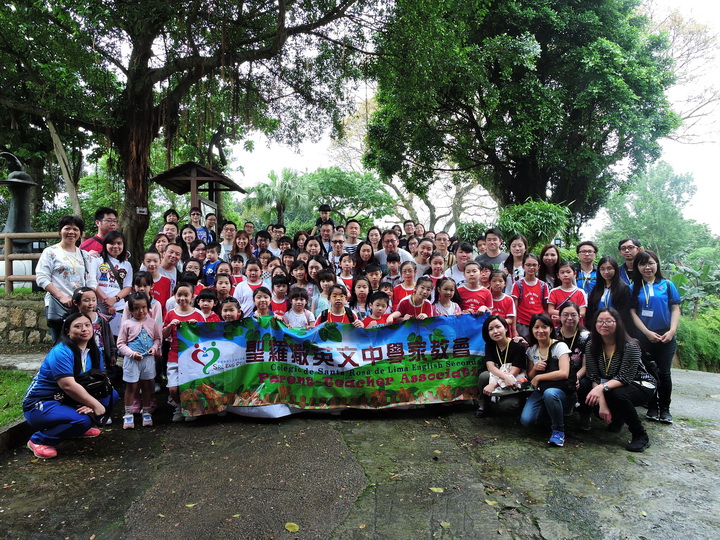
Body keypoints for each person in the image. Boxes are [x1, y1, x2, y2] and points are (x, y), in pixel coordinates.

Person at [23, 313, 114, 459]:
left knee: (111, 396)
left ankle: (77, 429)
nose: (84, 329)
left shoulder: (94, 350)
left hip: (67, 399)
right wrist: (95, 405)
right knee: (82, 420)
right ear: (67, 331)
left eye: (87, 325)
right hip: (41, 403)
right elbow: (68, 385)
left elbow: (99, 380)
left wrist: (92, 404)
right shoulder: (61, 352)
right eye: (78, 326)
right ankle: (39, 440)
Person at [585, 308, 655, 452]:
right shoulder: (591, 345)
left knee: (617, 394)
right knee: (590, 391)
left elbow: (625, 377)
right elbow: (593, 375)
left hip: (640, 383)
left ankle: (640, 435)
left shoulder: (630, 345)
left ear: (617, 323)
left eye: (609, 321)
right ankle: (619, 417)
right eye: (600, 321)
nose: (604, 324)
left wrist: (600, 389)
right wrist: (602, 403)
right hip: (611, 385)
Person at [630, 250, 681, 424]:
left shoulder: (667, 285)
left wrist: (672, 331)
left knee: (664, 373)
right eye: (643, 264)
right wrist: (646, 332)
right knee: (648, 373)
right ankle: (652, 407)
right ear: (637, 267)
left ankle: (665, 409)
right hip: (644, 336)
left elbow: (675, 308)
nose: (647, 267)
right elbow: (632, 313)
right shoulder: (634, 288)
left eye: (651, 263)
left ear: (657, 264)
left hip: (666, 334)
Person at [36, 216, 97, 343]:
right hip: (59, 304)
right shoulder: (50, 252)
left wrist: (88, 299)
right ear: (60, 231)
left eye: (75, 229)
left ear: (80, 233)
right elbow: (42, 277)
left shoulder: (85, 255)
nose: (71, 232)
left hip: (81, 306)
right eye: (67, 228)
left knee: (82, 342)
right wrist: (61, 296)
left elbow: (91, 280)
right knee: (61, 342)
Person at [520, 313, 572, 447]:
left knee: (550, 394)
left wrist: (540, 376)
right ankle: (551, 415)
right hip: (540, 390)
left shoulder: (560, 346)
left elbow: (564, 373)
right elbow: (531, 377)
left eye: (544, 327)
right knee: (527, 421)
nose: (540, 331)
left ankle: (558, 431)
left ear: (551, 329)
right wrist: (535, 368)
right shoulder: (532, 350)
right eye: (536, 327)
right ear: (532, 329)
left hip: (560, 390)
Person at [117, 292, 162, 429]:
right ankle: (128, 413)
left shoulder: (152, 323)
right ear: (131, 310)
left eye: (143, 307)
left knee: (147, 385)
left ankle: (146, 411)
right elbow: (120, 343)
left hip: (148, 360)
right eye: (136, 308)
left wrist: (154, 348)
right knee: (131, 386)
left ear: (148, 308)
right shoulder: (127, 324)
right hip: (132, 361)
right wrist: (131, 354)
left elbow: (157, 339)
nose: (140, 311)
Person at [163, 282, 205, 422]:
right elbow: (164, 335)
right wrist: (170, 325)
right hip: (174, 355)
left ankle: (191, 408)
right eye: (179, 295)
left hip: (193, 357)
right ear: (174, 296)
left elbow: (206, 336)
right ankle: (179, 406)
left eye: (186, 295)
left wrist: (196, 327)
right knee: (173, 388)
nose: (182, 298)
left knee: (191, 385)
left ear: (192, 296)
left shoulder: (198, 314)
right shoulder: (170, 313)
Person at [477, 315, 528, 417]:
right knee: (484, 376)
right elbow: (490, 367)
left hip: (513, 381)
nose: (495, 331)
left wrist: (494, 384)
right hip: (501, 378)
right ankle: (484, 405)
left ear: (506, 328)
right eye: (491, 329)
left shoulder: (518, 346)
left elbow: (514, 372)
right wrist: (503, 377)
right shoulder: (490, 345)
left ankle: (519, 403)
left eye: (498, 327)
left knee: (506, 406)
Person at [553, 302, 592, 430]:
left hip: (579, 372)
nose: (569, 318)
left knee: (584, 384)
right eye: (565, 315)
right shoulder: (554, 333)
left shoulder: (586, 336)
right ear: (559, 316)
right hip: (558, 371)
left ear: (579, 316)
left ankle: (585, 414)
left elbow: (586, 366)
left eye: (573, 315)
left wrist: (576, 377)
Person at [93, 230, 133, 336]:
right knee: (99, 339)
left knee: (117, 338)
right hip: (98, 308)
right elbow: (92, 282)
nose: (115, 246)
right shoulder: (97, 261)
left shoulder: (127, 265)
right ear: (105, 244)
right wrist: (106, 302)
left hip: (119, 308)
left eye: (119, 243)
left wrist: (114, 300)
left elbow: (128, 287)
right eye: (111, 243)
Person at [586, 256, 632, 331]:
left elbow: (624, 313)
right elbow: (591, 309)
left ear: (615, 269)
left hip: (616, 327)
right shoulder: (597, 288)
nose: (606, 272)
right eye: (602, 269)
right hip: (598, 326)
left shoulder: (623, 288)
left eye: (609, 268)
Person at [511, 254, 549, 340]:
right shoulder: (518, 285)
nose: (531, 267)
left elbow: (546, 308)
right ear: (523, 266)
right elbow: (514, 308)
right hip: (522, 324)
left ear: (538, 266)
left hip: (539, 323)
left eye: (534, 265)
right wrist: (514, 329)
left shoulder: (543, 285)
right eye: (528, 265)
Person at [547, 261, 587, 326]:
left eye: (568, 272)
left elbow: (582, 313)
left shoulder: (580, 292)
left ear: (575, 274)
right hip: (558, 326)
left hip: (576, 326)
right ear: (558, 275)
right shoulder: (553, 292)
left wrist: (562, 317)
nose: (565, 275)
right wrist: (568, 316)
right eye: (562, 272)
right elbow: (550, 310)